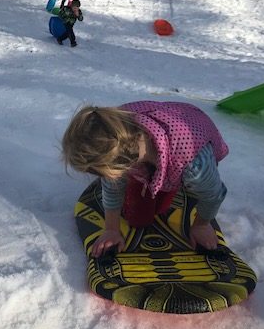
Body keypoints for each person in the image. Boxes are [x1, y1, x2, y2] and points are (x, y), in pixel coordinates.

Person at [62, 101, 229, 256]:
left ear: (124, 164)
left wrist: (201, 225)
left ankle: (173, 184)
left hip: (191, 133)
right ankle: (153, 180)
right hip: (156, 142)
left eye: (102, 172)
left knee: (173, 197)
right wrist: (111, 229)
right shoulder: (116, 131)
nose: (101, 177)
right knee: (139, 218)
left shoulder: (194, 165)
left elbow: (213, 194)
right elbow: (112, 186)